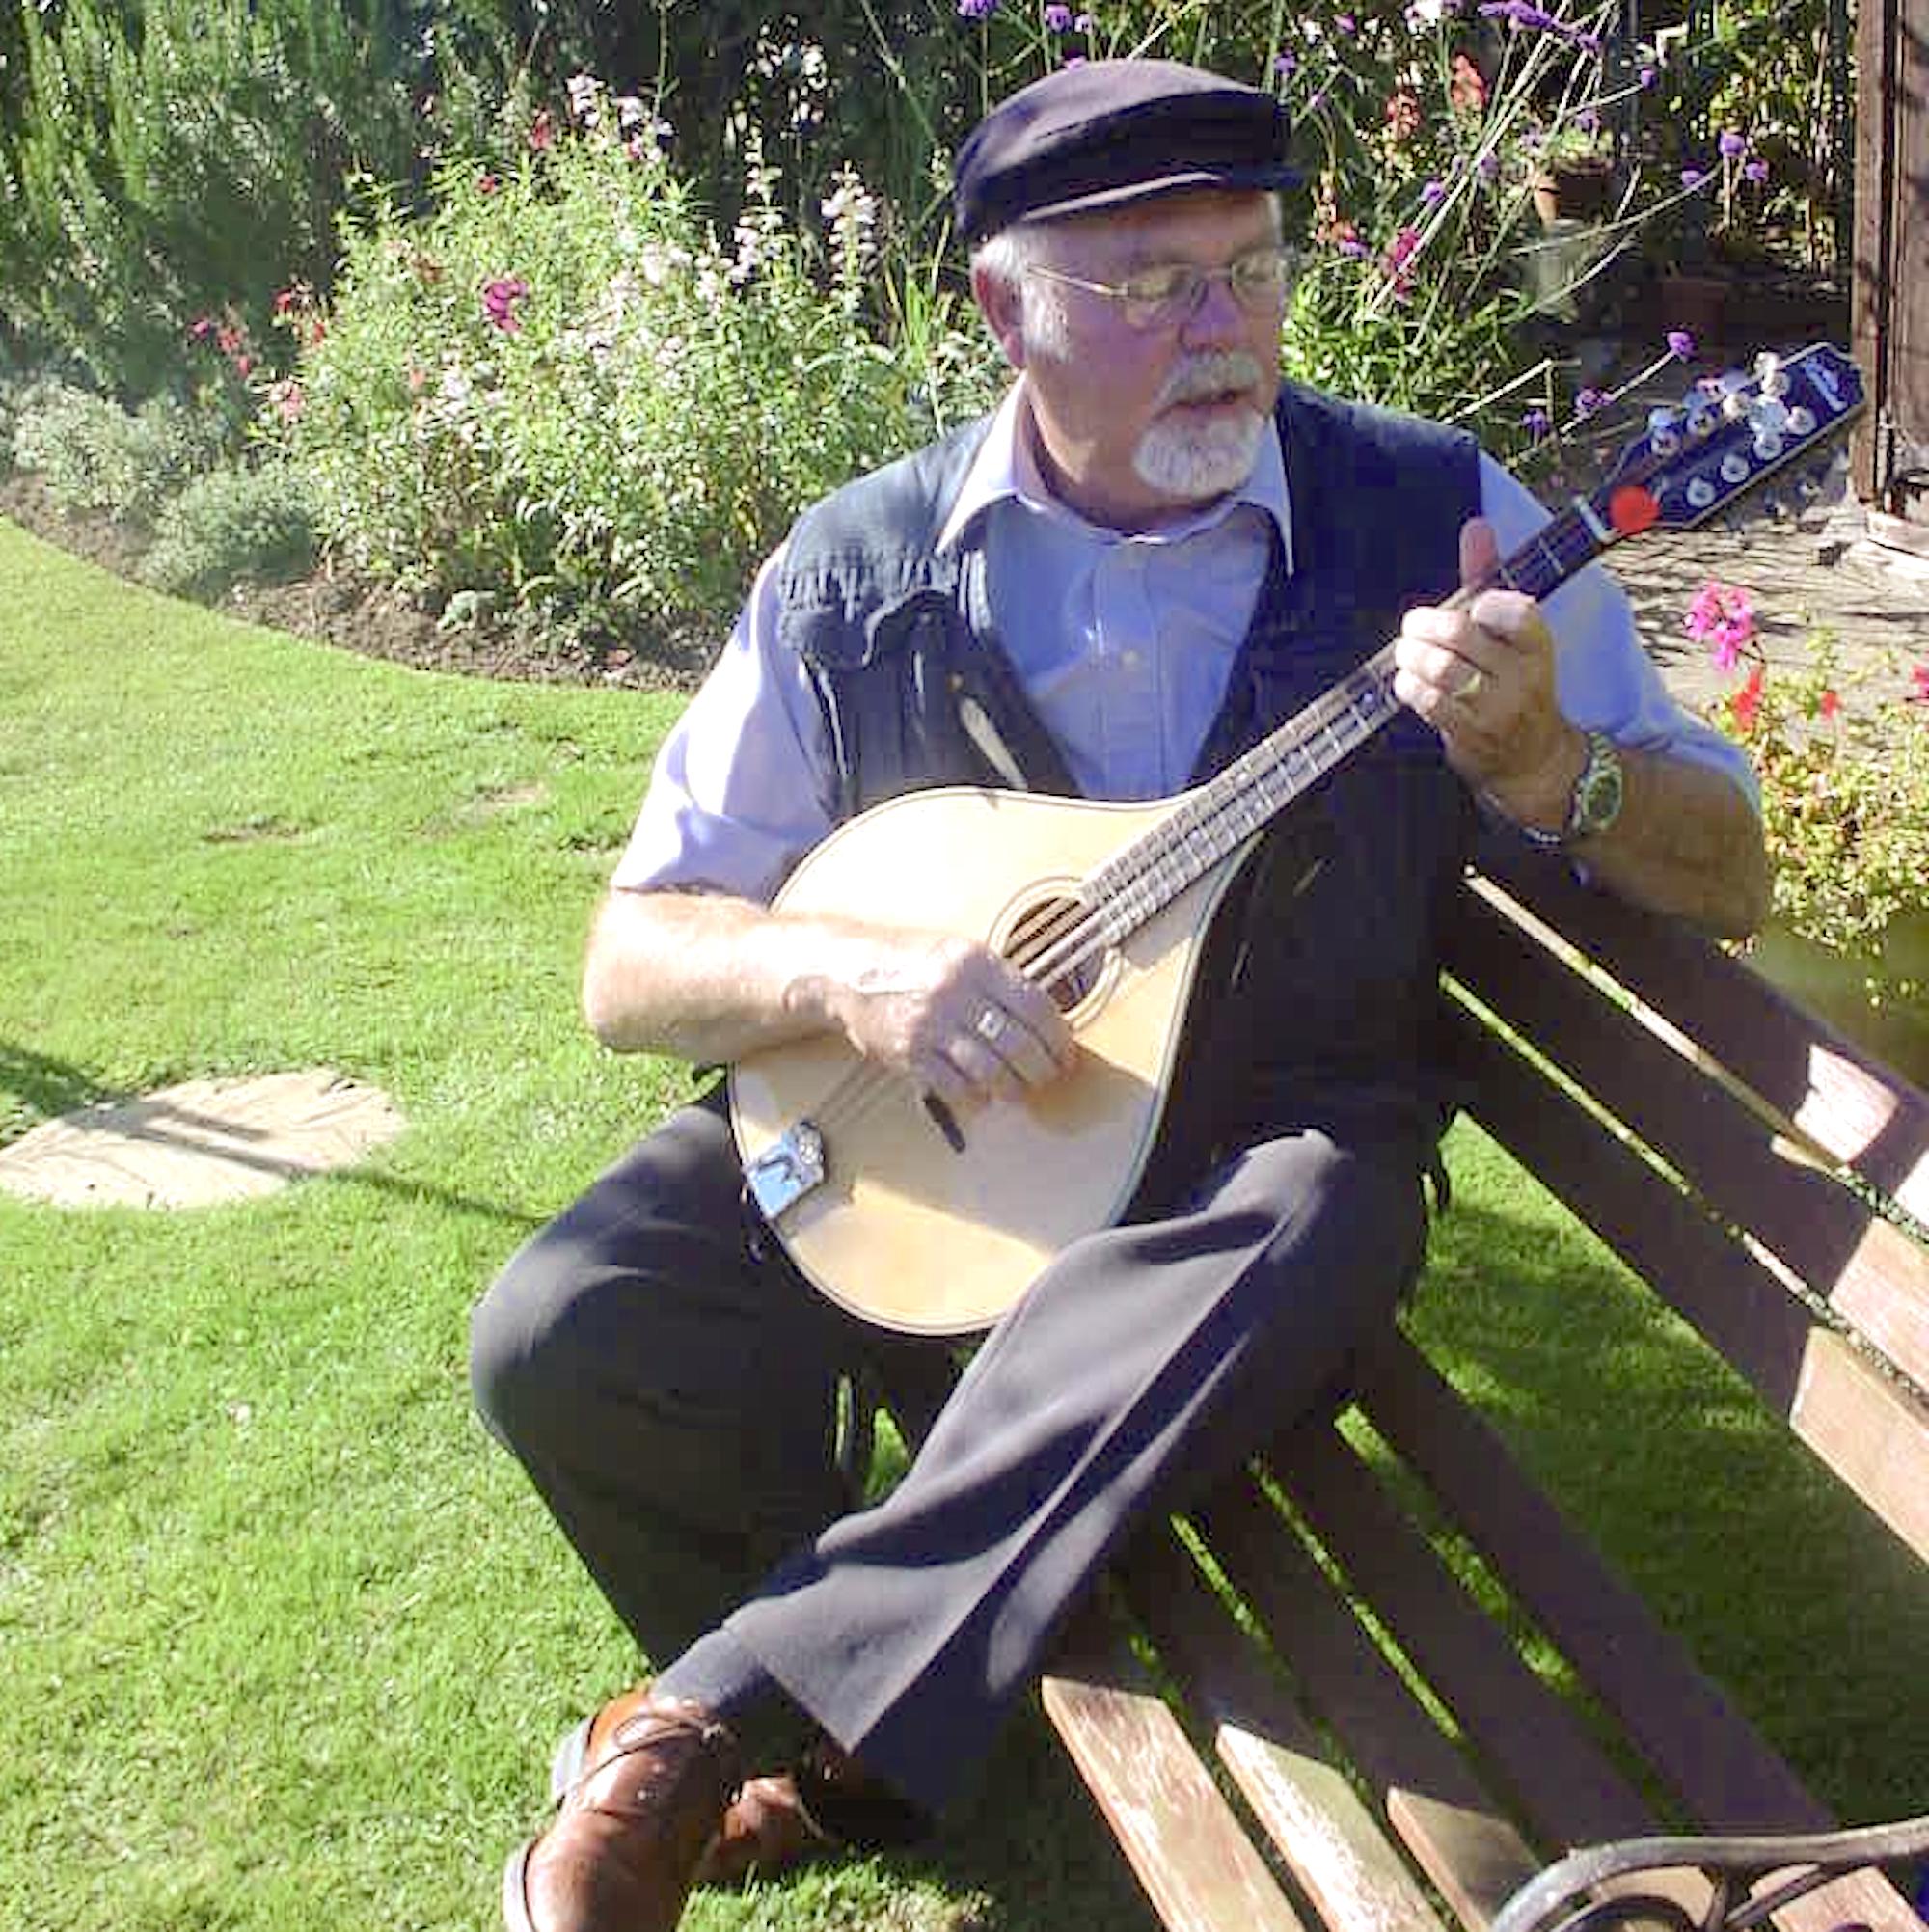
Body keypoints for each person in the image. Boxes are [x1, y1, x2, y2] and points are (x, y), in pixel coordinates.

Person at [473, 56, 1768, 1932]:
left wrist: (1550, 767)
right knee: (563, 1325)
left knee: (1316, 1210)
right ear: (1004, 312)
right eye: (1152, 285)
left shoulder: (1438, 521)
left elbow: (1731, 872)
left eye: (1252, 269)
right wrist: (856, 971)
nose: (1222, 330)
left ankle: (706, 1728)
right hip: (935, 1144)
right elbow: (633, 958)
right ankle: (879, 1744)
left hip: (1250, 1180)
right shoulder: (855, 572)